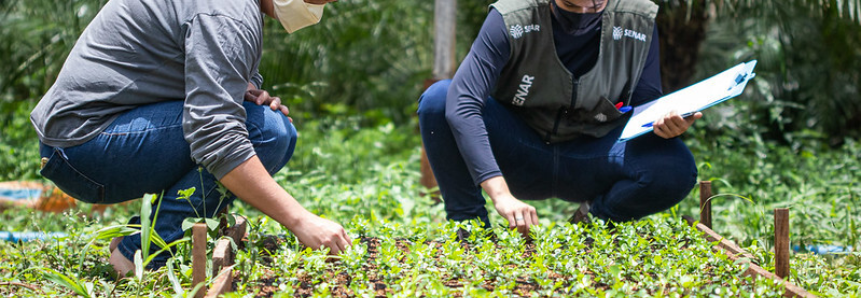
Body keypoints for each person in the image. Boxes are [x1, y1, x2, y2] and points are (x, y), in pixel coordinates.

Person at [30, 0, 350, 275]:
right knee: (265, 132)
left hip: (80, 140)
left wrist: (245, 90)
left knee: (264, 124)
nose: (315, 8)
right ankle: (141, 255)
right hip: (85, 146)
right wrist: (301, 220)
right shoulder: (228, 11)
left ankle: (144, 233)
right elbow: (216, 134)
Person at [417, 0, 700, 236]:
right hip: (519, 151)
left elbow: (644, 107)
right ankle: (471, 230)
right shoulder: (512, 16)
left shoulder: (637, 19)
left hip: (594, 156)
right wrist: (501, 194)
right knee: (439, 100)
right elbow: (462, 102)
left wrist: (666, 124)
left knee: (674, 167)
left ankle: (592, 226)